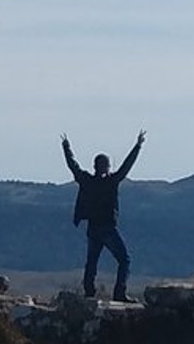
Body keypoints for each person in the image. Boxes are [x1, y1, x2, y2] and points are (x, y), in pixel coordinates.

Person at [62, 128, 144, 300]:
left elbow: (73, 166)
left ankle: (89, 292)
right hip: (108, 228)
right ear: (106, 167)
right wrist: (137, 146)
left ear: (94, 166)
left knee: (91, 262)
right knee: (124, 260)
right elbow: (126, 167)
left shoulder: (86, 180)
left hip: (93, 228)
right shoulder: (111, 182)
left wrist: (66, 147)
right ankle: (119, 293)